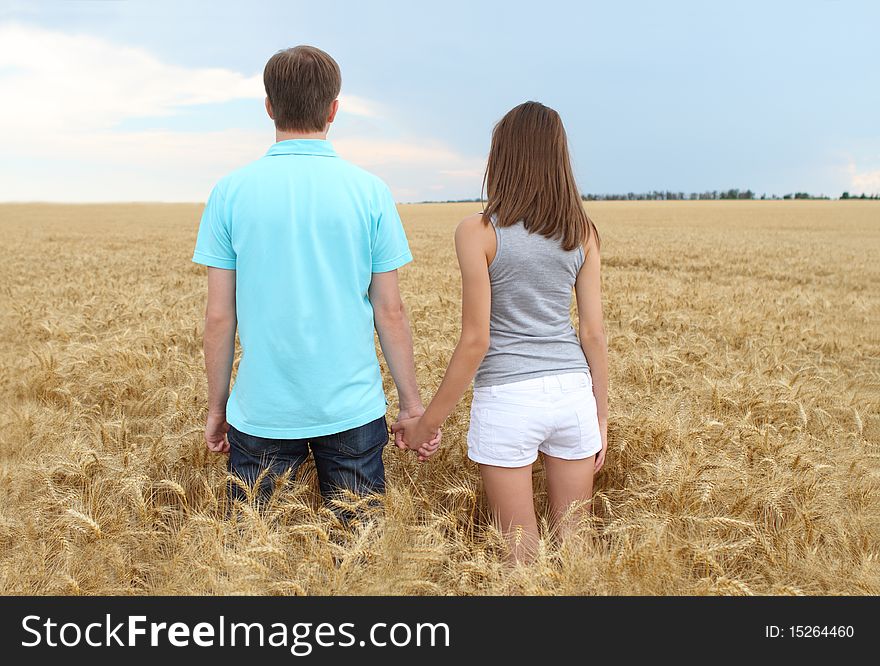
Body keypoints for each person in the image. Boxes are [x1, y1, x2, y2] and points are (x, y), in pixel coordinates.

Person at [192, 45, 434, 515]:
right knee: (359, 555)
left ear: (268, 107)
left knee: (250, 560)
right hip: (353, 409)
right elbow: (390, 310)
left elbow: (220, 316)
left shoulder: (229, 192)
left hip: (261, 410)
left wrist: (218, 409)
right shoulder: (370, 191)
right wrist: (411, 406)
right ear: (334, 110)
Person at [393, 101, 608, 562]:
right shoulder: (582, 231)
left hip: (509, 398)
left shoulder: (478, 232)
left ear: (501, 158)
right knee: (577, 549)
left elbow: (476, 340)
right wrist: (601, 417)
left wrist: (426, 425)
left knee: (520, 557)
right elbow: (593, 333)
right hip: (573, 394)